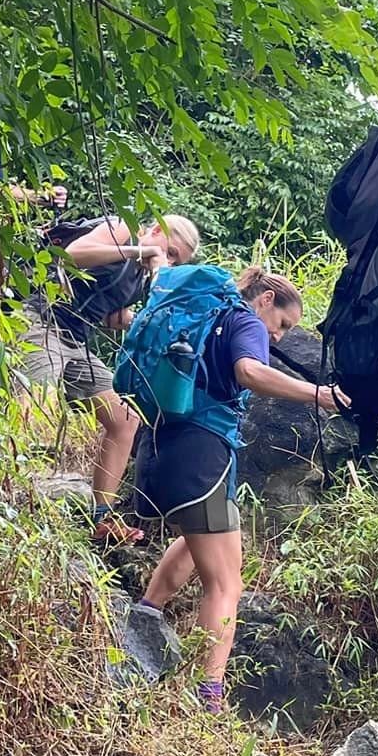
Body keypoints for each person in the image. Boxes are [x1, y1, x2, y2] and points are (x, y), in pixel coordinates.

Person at [126, 268, 339, 711]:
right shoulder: (243, 321)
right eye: (282, 324)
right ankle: (209, 694)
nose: (279, 337)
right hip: (203, 456)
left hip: (161, 448)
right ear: (264, 300)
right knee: (226, 583)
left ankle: (146, 614)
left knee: (198, 539)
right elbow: (249, 372)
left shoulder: (206, 317)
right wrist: (317, 394)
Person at [19, 211, 201, 543]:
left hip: (75, 340)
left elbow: (109, 309)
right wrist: (140, 251)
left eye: (176, 261)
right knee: (36, 407)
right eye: (170, 251)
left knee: (125, 419)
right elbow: (72, 255)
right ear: (156, 230)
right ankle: (15, 489)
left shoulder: (141, 275)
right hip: (40, 322)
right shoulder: (123, 230)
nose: (168, 261)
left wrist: (137, 320)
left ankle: (102, 516)